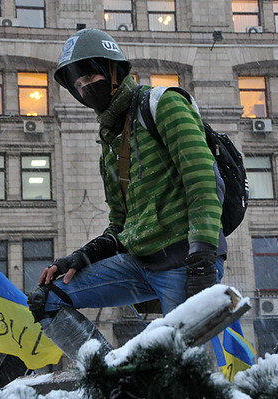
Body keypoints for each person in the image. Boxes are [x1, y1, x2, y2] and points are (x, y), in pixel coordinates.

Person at [27, 28, 227, 360]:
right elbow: (121, 225)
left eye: (90, 74)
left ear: (115, 71)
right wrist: (83, 256)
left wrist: (202, 258)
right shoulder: (110, 141)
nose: (84, 87)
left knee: (190, 373)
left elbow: (203, 181)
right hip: (138, 263)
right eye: (76, 83)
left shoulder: (163, 104)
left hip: (184, 263)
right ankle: (111, 379)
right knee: (47, 299)